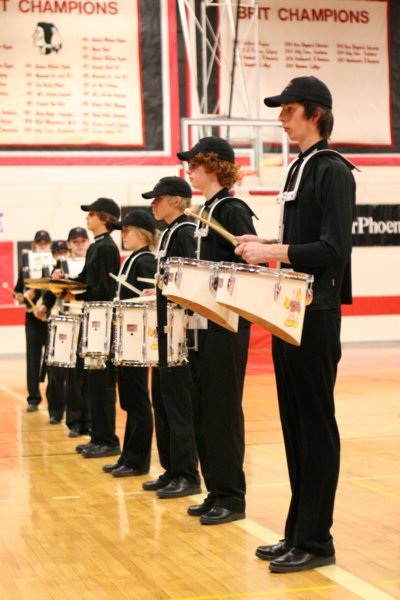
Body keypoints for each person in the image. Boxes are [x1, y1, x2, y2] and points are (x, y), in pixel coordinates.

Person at [235, 76, 357, 572]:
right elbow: (301, 241)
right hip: (288, 311)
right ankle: (297, 532)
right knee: (295, 428)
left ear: (315, 113)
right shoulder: (298, 168)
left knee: (315, 427)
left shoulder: (333, 171)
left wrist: (276, 251)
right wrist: (264, 244)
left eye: (288, 110)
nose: (281, 119)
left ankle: (317, 541)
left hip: (316, 315)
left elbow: (333, 250)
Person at [177, 137, 258, 524]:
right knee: (203, 410)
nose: (189, 170)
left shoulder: (232, 209)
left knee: (222, 411)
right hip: (202, 324)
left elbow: (249, 268)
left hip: (226, 325)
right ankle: (215, 490)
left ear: (214, 166)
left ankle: (232, 497)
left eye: (194, 164)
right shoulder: (204, 211)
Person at [141, 176, 201, 498]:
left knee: (178, 406)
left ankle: (188, 474)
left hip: (179, 333)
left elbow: (191, 278)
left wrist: (168, 291)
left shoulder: (186, 231)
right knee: (162, 404)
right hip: (166, 330)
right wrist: (159, 291)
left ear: (176, 201)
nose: (153, 204)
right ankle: (171, 468)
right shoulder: (169, 233)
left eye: (158, 198)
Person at [55, 198, 121, 458]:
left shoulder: (107, 247)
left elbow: (104, 289)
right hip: (92, 318)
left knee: (102, 383)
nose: (87, 218)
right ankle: (98, 436)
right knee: (92, 382)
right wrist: (65, 282)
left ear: (104, 218)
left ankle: (108, 439)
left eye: (91, 214)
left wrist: (77, 294)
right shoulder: (96, 246)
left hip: (101, 320)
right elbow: (85, 280)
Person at [102, 210, 157, 477]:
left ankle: (138, 460)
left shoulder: (146, 260)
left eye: (127, 230)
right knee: (129, 400)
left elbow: (149, 300)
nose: (123, 235)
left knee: (138, 400)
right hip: (125, 338)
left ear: (143, 233)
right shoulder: (133, 258)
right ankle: (128, 455)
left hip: (137, 339)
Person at [14, 230, 52, 412]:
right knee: (33, 359)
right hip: (32, 319)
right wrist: (22, 296)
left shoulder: (56, 264)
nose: (42, 245)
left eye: (45, 243)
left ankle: (55, 401)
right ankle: (33, 398)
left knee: (53, 362)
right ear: (34, 245)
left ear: (50, 245)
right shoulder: (27, 267)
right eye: (39, 243)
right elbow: (18, 292)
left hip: (51, 319)